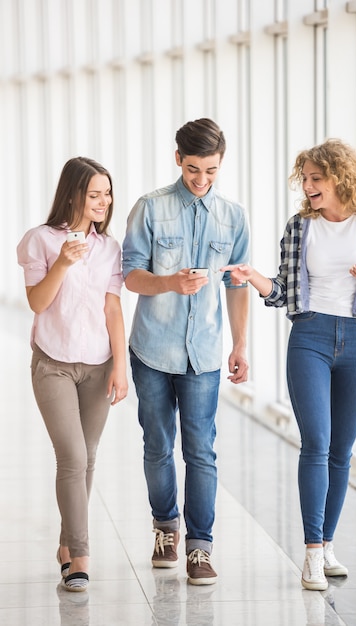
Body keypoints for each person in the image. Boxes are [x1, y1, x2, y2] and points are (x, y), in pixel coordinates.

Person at [221, 138, 356, 591]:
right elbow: (282, 290)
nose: (306, 186)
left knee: (342, 451)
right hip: (310, 338)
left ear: (340, 178)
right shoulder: (300, 227)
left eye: (314, 178)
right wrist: (252, 276)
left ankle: (326, 544)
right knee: (316, 442)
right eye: (303, 178)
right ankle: (310, 554)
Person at [122, 118, 250, 585]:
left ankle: (200, 546)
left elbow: (238, 285)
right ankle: (164, 527)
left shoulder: (233, 217)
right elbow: (130, 275)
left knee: (201, 450)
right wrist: (169, 283)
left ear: (221, 164)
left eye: (211, 171)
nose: (201, 179)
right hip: (153, 349)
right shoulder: (150, 209)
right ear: (178, 159)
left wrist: (240, 343)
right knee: (158, 446)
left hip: (206, 353)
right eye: (194, 168)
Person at [17, 157, 128, 592]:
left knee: (89, 456)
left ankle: (66, 547)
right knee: (73, 458)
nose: (103, 202)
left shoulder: (110, 248)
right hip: (53, 364)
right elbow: (37, 303)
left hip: (98, 364)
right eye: (94, 194)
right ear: (73, 194)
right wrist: (62, 263)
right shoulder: (40, 241)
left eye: (107, 193)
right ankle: (80, 556)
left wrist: (121, 367)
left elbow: (113, 309)